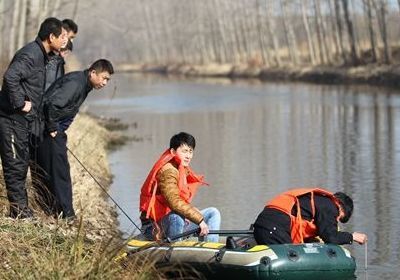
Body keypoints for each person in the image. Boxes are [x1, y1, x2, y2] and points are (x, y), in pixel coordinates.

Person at [0, 17, 66, 219]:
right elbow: (10, 77)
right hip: (10, 118)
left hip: (21, 122)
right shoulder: (31, 54)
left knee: (19, 165)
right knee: (15, 166)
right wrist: (21, 103)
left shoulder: (43, 55)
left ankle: (21, 211)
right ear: (51, 36)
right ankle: (20, 213)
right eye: (62, 36)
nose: (65, 40)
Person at [38, 59, 114, 219]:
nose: (105, 82)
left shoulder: (84, 84)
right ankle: (67, 215)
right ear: (93, 73)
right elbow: (52, 104)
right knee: (60, 173)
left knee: (51, 171)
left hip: (51, 129)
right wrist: (53, 128)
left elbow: (68, 110)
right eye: (104, 78)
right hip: (47, 129)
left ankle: (54, 212)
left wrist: (61, 130)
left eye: (108, 80)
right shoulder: (76, 83)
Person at [139, 132, 221, 242]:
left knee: (213, 212)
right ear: (173, 152)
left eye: (191, 151)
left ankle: (210, 249)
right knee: (176, 217)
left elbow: (178, 202)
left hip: (172, 221)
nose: (188, 156)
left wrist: (193, 211)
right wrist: (199, 220)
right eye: (184, 151)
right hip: (153, 228)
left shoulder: (180, 168)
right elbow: (174, 202)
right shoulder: (168, 171)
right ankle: (175, 248)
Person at [253, 188, 367, 245]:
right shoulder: (330, 207)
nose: (335, 220)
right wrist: (352, 237)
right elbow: (331, 237)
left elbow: (301, 220)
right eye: (339, 217)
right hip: (274, 227)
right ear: (340, 207)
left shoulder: (318, 201)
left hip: (264, 223)